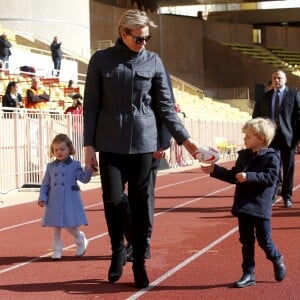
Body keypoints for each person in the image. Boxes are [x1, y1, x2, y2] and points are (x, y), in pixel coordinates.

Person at [83, 9, 200, 289]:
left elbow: (165, 107)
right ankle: (118, 251)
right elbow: (91, 107)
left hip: (144, 144)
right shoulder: (101, 60)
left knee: (140, 203)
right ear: (123, 34)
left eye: (148, 38)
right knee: (112, 200)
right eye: (139, 38)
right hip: (110, 142)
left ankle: (138, 264)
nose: (144, 43)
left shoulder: (153, 62)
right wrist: (88, 146)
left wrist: (186, 140)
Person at [201, 117, 286, 288]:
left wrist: (250, 176)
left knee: (264, 240)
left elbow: (271, 178)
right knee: (246, 241)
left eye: (248, 136)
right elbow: (234, 176)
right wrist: (214, 170)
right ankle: (248, 273)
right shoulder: (244, 156)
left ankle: (276, 257)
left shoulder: (272, 157)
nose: (244, 139)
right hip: (244, 205)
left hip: (260, 206)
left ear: (260, 139)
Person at [38, 133, 93, 260]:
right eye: (56, 149)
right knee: (55, 226)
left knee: (69, 225)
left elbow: (84, 179)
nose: (59, 152)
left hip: (70, 200)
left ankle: (80, 240)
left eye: (62, 149)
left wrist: (89, 169)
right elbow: (45, 184)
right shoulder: (50, 166)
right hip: (54, 200)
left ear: (69, 149)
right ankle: (56, 250)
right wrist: (42, 198)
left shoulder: (75, 165)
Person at [252, 69, 300, 208]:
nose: (276, 81)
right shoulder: (265, 97)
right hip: (269, 138)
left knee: (288, 168)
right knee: (272, 167)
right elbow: (256, 116)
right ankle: (272, 194)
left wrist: (297, 138)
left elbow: (299, 117)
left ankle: (287, 196)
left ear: (285, 80)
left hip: (288, 137)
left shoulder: (294, 94)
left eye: (279, 78)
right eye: (274, 78)